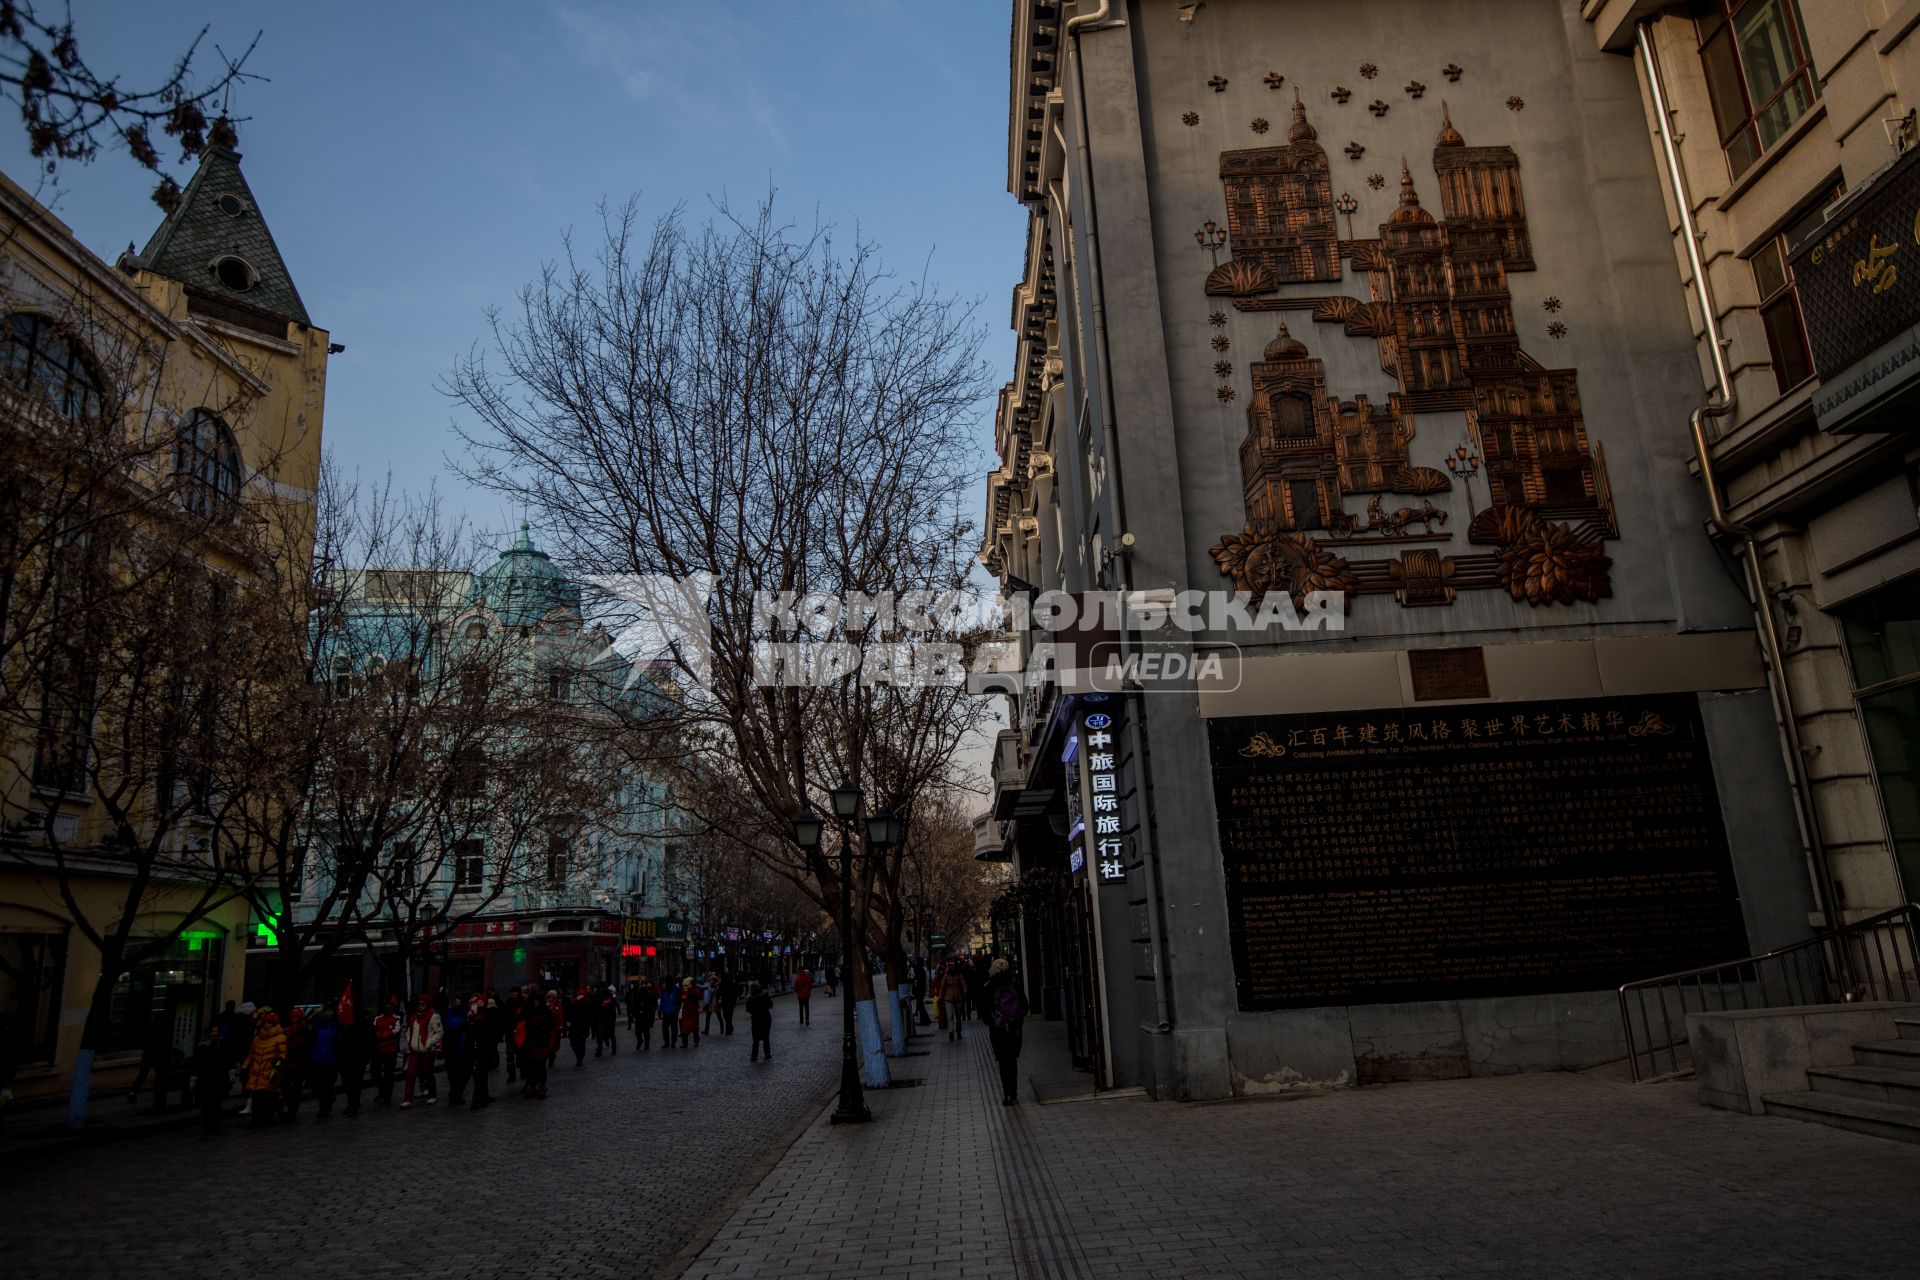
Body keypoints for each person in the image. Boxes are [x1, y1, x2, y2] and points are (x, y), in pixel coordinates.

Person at [981, 959, 1028, 1105]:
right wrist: (1017, 1018)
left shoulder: (989, 987)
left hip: (998, 1029)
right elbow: (1025, 1006)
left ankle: (1006, 1093)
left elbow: (984, 1011)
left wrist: (992, 1021)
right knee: (1012, 1061)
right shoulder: (1014, 985)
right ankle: (1013, 1091)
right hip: (1013, 1028)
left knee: (1003, 1061)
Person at [244, 1006, 286, 1127]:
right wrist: (245, 1066)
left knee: (270, 1096)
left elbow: (282, 1055)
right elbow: (251, 1053)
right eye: (265, 1023)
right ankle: (256, 1119)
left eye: (269, 1023)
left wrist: (277, 1065)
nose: (267, 1025)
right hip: (257, 1071)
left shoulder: (280, 1037)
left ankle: (272, 1116)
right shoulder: (257, 1039)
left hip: (269, 1071)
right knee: (257, 1096)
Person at [401, 994, 442, 1108]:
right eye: (419, 1004)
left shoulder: (433, 1016)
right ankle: (408, 1099)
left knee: (427, 1073)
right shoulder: (414, 1017)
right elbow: (409, 1031)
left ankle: (432, 1095)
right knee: (410, 1074)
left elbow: (439, 1032)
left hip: (427, 1050)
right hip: (415, 1050)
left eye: (422, 1004)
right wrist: (410, 1042)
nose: (420, 1006)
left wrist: (429, 1043)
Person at [127, 1016, 173, 1110]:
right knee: (159, 1076)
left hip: (148, 1055)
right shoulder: (164, 1031)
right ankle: (158, 1096)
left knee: (142, 1075)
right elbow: (166, 1044)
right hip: (159, 1056)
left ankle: (133, 1091)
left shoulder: (149, 1029)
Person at [337, 998, 371, 1118]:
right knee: (347, 1083)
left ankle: (354, 1105)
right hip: (346, 1058)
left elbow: (368, 1040)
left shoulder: (363, 1023)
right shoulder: (343, 1024)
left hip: (358, 1057)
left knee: (356, 1083)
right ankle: (352, 1102)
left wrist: (367, 1056)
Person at [189, 1026, 227, 1132]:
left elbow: (226, 1061)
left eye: (216, 1032)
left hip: (218, 1078)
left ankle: (214, 1122)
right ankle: (207, 1122)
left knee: (216, 1103)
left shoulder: (222, 1046)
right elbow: (196, 1063)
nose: (214, 1034)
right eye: (212, 1032)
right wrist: (194, 1078)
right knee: (206, 1103)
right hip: (205, 1079)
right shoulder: (202, 1047)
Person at [278, 1008, 312, 1121]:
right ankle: (291, 1108)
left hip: (299, 1064)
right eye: (293, 1016)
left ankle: (292, 1111)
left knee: (296, 1089)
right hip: (288, 1063)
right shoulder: (288, 1030)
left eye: (296, 1017)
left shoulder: (305, 1031)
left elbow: (306, 1047)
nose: (294, 1019)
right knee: (286, 1087)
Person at [308, 1007, 341, 1118]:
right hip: (317, 1059)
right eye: (326, 1010)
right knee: (317, 1086)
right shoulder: (318, 1025)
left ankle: (324, 1109)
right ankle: (328, 1099)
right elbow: (312, 1040)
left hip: (331, 1060)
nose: (328, 1012)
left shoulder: (337, 1025)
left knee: (327, 1085)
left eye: (330, 1010)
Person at [468, 994, 498, 1109]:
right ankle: (482, 1097)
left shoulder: (486, 1016)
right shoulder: (474, 1016)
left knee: (480, 1074)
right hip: (475, 1048)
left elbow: (489, 1030)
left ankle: (478, 1099)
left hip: (482, 1048)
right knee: (479, 1074)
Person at [372, 996, 403, 1107]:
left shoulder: (397, 1017)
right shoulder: (378, 1018)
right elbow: (374, 1030)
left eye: (390, 1004)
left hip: (390, 1049)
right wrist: (383, 1033)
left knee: (389, 1074)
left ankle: (387, 1095)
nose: (388, 1006)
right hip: (379, 1049)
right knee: (375, 1071)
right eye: (387, 1004)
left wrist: (382, 1034)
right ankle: (382, 1091)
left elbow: (394, 1031)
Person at [442, 995, 472, 1105]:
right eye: (456, 1001)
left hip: (463, 1046)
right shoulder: (450, 1012)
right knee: (453, 1072)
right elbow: (449, 1026)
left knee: (463, 1072)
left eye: (458, 1001)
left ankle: (456, 1093)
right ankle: (455, 1094)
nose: (456, 1003)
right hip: (452, 1045)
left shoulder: (468, 1012)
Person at [941, 962, 970, 1042]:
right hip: (948, 998)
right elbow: (942, 986)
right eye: (950, 965)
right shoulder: (946, 975)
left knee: (958, 1016)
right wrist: (941, 996)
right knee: (950, 1016)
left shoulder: (959, 974)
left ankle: (958, 1031)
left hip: (958, 997)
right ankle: (951, 1032)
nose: (952, 966)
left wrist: (965, 992)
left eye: (953, 964)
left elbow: (963, 983)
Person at [502, 987, 526, 1085]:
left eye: (515, 992)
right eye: (512, 992)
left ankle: (523, 1072)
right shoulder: (508, 1002)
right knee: (510, 1055)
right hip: (510, 1032)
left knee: (521, 1053)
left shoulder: (523, 1002)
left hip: (521, 1031)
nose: (513, 994)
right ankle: (511, 1075)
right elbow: (504, 1016)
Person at [745, 981, 773, 1062]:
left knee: (755, 1038)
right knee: (766, 1037)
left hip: (756, 1019)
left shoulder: (750, 998)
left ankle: (754, 1055)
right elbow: (771, 1005)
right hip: (765, 1018)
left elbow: (748, 1010)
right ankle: (767, 1054)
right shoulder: (765, 995)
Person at [566, 989, 592, 1067]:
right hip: (580, 1026)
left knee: (576, 1043)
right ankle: (580, 1057)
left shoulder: (577, 1002)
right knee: (579, 1043)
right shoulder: (578, 1002)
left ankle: (579, 1057)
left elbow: (570, 1014)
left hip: (577, 1026)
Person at [594, 984, 619, 1057]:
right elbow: (613, 1012)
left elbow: (596, 1009)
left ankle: (599, 1051)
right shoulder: (608, 998)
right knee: (611, 1035)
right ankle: (613, 1050)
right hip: (608, 1020)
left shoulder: (599, 997)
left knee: (600, 1036)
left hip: (602, 1019)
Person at [632, 977, 656, 1050]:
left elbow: (653, 1005)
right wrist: (634, 1014)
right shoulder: (637, 995)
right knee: (638, 1031)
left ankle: (646, 1044)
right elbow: (634, 1005)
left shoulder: (649, 995)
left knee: (646, 1031)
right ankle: (640, 1041)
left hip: (646, 1014)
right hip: (639, 1014)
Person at [680, 977, 702, 1047]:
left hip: (693, 1010)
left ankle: (696, 1041)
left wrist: (691, 991)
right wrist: (682, 998)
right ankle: (684, 1043)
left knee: (695, 1026)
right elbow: (680, 998)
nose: (685, 987)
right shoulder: (684, 990)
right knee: (685, 1027)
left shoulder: (695, 989)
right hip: (686, 1011)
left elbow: (698, 996)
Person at [719, 970, 740, 1036]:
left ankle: (728, 1029)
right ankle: (729, 1027)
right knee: (728, 1016)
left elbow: (719, 992)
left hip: (726, 1002)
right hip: (730, 1002)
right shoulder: (731, 984)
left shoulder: (724, 984)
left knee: (726, 1015)